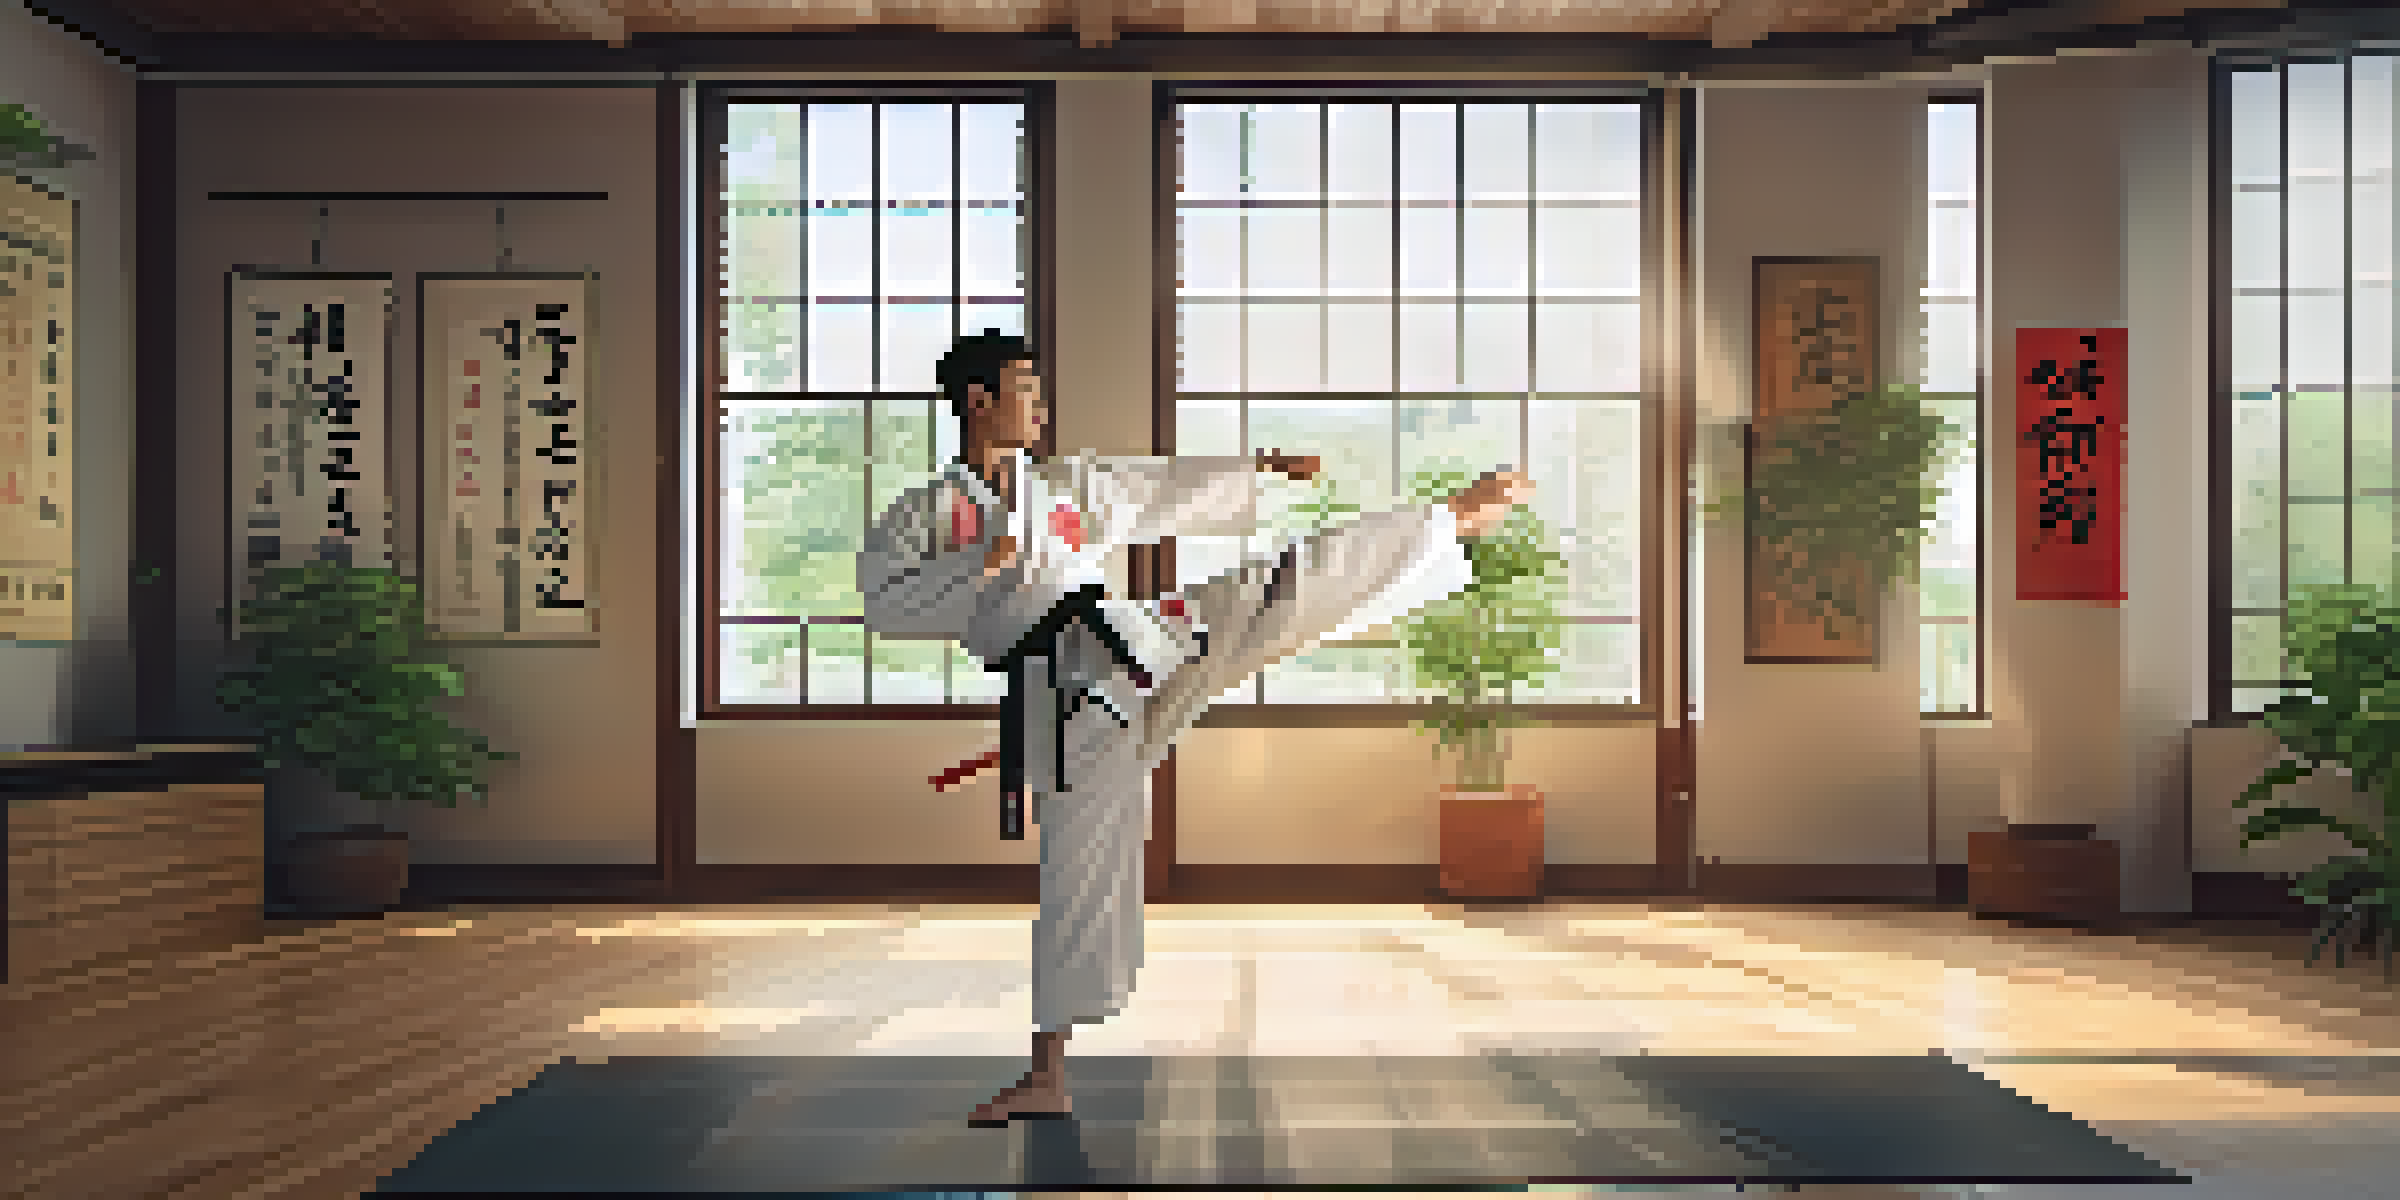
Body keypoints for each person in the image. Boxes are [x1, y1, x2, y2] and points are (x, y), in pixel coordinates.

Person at [857, 330, 1533, 1126]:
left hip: (1134, 641)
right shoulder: (928, 513)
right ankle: (1047, 1074)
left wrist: (1260, 470)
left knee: (1266, 590)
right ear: (979, 401)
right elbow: (884, 601)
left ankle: (1443, 524)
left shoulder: (1064, 486)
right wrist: (984, 564)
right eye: (1025, 390)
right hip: (1064, 704)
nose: (1039, 406)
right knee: (1077, 875)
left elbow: (1158, 488)